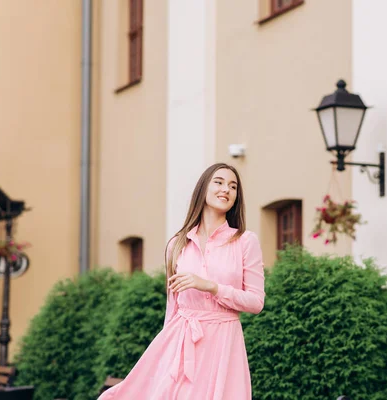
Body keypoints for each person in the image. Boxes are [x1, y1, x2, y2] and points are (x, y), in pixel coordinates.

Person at [98, 163, 265, 400]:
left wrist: (211, 286)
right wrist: (164, 356)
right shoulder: (177, 244)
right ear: (203, 188)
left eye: (233, 186)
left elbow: (256, 302)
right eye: (218, 182)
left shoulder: (245, 241)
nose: (226, 189)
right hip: (182, 341)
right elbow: (172, 308)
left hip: (223, 344)